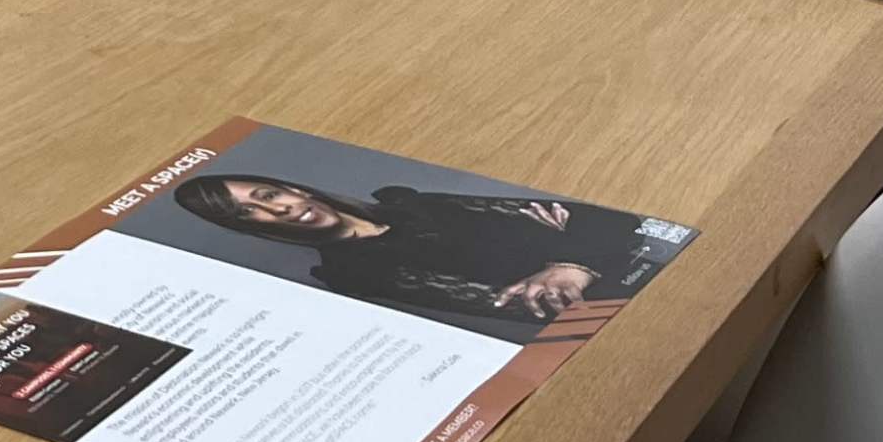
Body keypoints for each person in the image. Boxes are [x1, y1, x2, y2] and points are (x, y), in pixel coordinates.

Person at [171, 171, 671, 333]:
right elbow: (527, 308)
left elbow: (610, 217)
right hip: (635, 313)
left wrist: (568, 263)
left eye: (267, 195)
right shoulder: (352, 273)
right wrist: (562, 249)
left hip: (661, 262)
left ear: (289, 187)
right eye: (249, 214)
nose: (276, 210)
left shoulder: (411, 204)